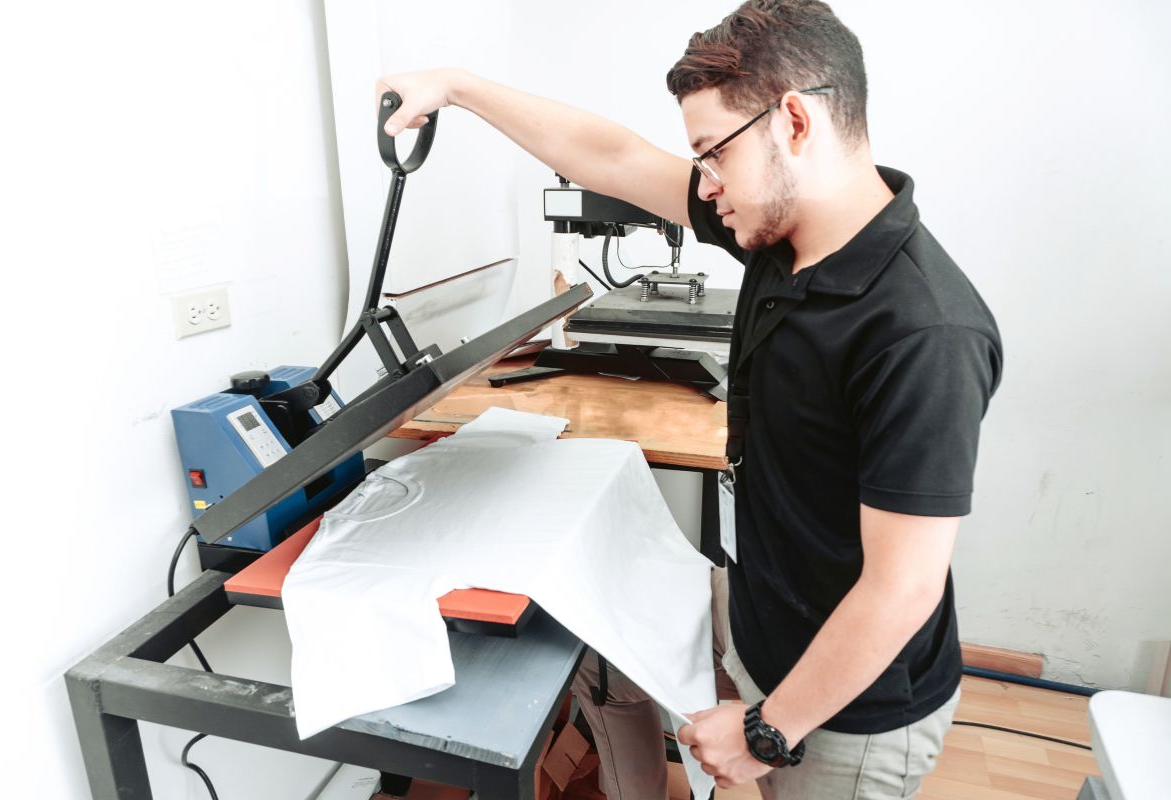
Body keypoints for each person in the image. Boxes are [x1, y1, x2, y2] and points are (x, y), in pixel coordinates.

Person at [377, 1, 1002, 797]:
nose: (703, 185)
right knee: (607, 628)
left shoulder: (923, 331)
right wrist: (457, 88)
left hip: (847, 705)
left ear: (796, 123)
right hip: (763, 609)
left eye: (712, 155)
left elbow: (902, 588)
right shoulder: (786, 235)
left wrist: (768, 731)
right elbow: (609, 154)